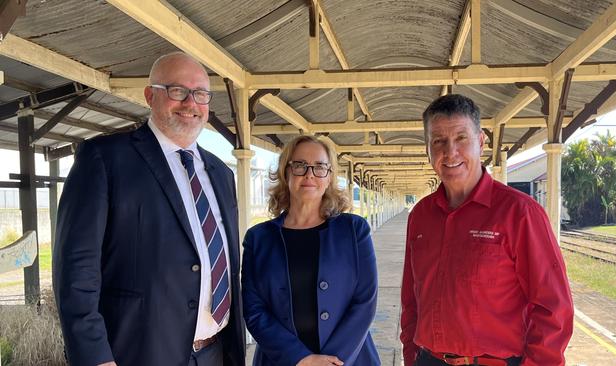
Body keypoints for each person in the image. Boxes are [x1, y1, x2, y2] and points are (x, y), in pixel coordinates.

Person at [53, 52, 245, 366]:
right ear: (149, 95)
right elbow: (76, 268)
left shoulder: (221, 173)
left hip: (214, 352)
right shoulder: (105, 159)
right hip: (138, 352)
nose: (190, 103)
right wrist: (94, 356)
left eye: (200, 94)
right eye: (177, 91)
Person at [400, 94, 573, 366]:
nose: (450, 152)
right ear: (428, 149)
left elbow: (553, 307)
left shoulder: (519, 213)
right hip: (428, 359)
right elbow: (411, 296)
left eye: (461, 138)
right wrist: (411, 355)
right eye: (438, 141)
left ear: (481, 141)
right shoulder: (420, 215)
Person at [242, 135, 380, 366]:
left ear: (329, 177)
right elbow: (254, 310)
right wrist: (300, 359)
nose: (309, 174)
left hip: (348, 359)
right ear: (286, 173)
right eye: (299, 165)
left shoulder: (354, 230)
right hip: (281, 359)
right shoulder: (259, 239)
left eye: (319, 167)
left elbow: (365, 302)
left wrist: (331, 362)